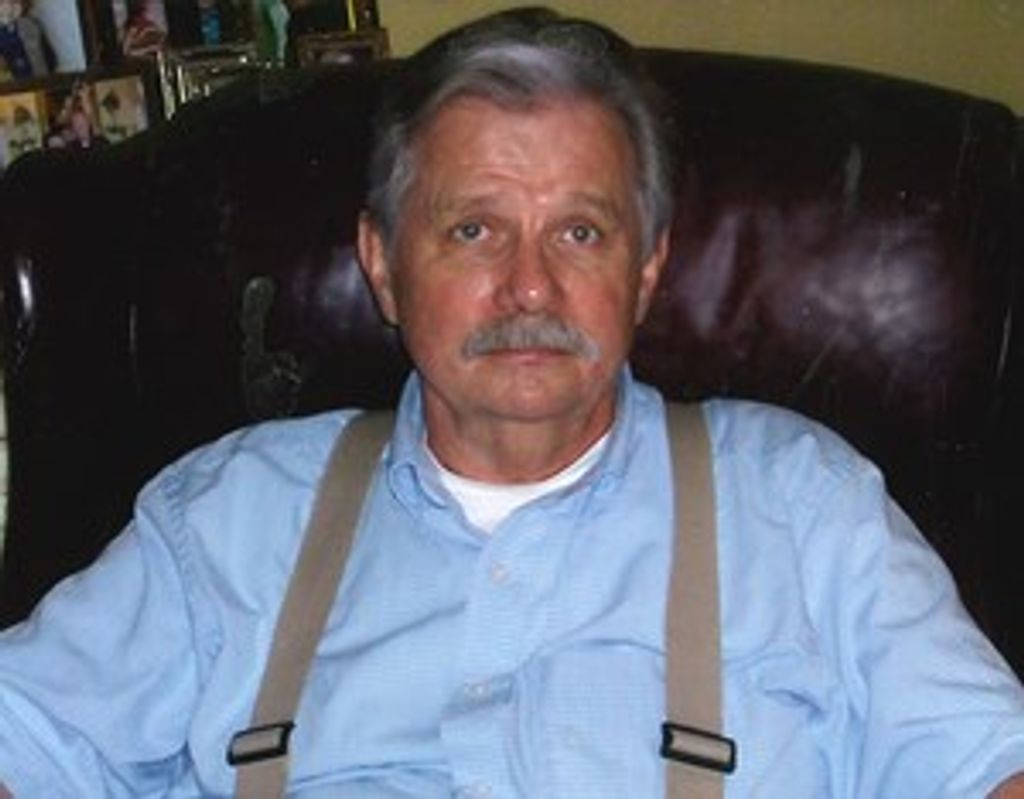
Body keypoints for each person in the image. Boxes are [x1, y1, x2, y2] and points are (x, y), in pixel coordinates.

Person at [1, 7, 1023, 796]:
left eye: (580, 232)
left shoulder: (804, 506)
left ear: (647, 270)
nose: (530, 289)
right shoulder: (226, 520)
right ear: (382, 264)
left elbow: (987, 764)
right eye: (474, 231)